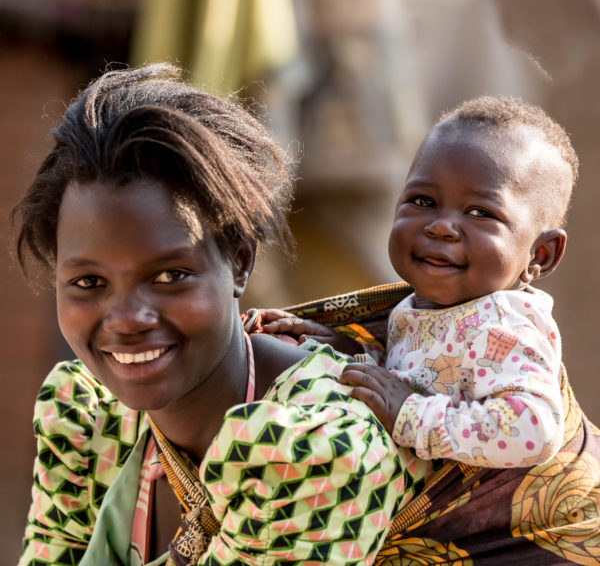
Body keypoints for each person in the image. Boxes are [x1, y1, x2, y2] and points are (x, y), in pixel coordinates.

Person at [13, 63, 419, 566]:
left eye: (169, 276)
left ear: (240, 261)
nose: (127, 318)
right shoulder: (93, 426)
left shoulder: (316, 452)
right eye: (89, 283)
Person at [253, 97, 600, 564]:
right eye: (422, 201)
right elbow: (420, 375)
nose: (441, 226)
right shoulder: (419, 308)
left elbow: (532, 429)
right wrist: (344, 348)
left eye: (481, 213)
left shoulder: (506, 325)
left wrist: (410, 415)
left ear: (540, 255)